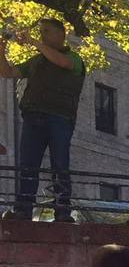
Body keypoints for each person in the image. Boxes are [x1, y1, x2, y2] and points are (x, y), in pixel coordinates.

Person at [0, 19, 86, 221]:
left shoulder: (74, 58)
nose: (42, 36)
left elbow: (61, 62)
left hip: (60, 118)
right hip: (33, 117)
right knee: (28, 165)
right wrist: (1, 51)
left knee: (59, 165)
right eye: (41, 32)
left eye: (46, 31)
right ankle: (23, 210)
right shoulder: (36, 61)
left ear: (60, 35)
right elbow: (8, 72)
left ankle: (62, 210)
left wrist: (33, 42)